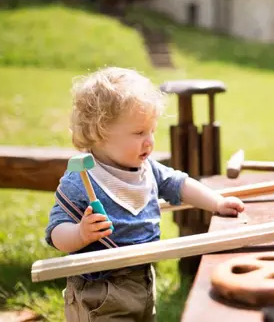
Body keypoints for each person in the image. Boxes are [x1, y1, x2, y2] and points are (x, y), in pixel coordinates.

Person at [44, 67, 244, 321]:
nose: (149, 141)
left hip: (143, 278)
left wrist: (217, 202)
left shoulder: (145, 168)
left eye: (151, 131)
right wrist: (80, 233)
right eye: (139, 133)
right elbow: (56, 232)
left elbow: (179, 184)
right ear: (99, 132)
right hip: (101, 290)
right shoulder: (83, 179)